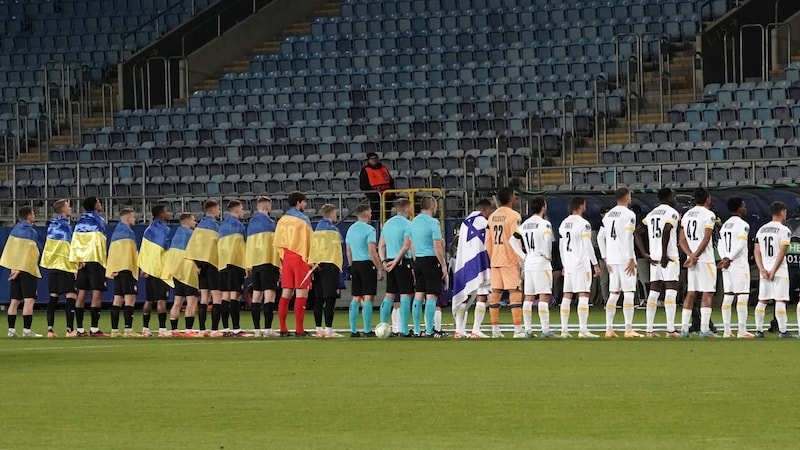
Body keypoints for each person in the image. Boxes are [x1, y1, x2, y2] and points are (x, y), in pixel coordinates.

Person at [635, 188, 681, 338]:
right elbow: (667, 230)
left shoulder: (652, 213)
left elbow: (637, 232)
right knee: (671, 291)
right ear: (668, 197)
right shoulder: (672, 213)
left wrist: (644, 254)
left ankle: (649, 329)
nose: (675, 199)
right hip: (668, 257)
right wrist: (664, 254)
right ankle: (670, 330)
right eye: (673, 196)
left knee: (654, 292)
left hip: (654, 258)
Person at [511, 196, 556, 338]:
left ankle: (528, 331)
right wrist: (547, 255)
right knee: (544, 296)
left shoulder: (524, 224)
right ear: (543, 207)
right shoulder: (545, 224)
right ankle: (545, 330)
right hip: (541, 263)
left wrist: (524, 255)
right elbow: (548, 240)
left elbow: (512, 241)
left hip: (529, 263)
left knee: (528, 297)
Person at [558, 197, 601, 339]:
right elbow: (588, 245)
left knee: (567, 295)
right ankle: (583, 330)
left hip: (569, 264)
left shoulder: (564, 224)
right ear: (582, 206)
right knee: (584, 294)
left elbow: (561, 246)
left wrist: (564, 264)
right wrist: (595, 264)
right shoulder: (584, 224)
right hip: (581, 263)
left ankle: (564, 330)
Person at [600, 187, 640, 338]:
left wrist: (605, 257)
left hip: (612, 258)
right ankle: (628, 329)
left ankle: (609, 329)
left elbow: (600, 237)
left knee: (614, 293)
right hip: (624, 258)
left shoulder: (608, 215)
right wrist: (631, 257)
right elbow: (629, 236)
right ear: (627, 197)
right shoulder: (629, 214)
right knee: (629, 292)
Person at [678, 187, 718, 338]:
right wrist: (695, 256)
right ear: (708, 198)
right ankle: (704, 329)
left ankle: (683, 329)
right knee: (707, 292)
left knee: (691, 293)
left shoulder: (687, 215)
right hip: (705, 259)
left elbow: (681, 240)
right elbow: (706, 238)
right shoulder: (709, 215)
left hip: (691, 260)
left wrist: (690, 256)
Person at [452, 199, 494, 339]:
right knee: (482, 293)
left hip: (465, 261)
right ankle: (476, 330)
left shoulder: (465, 223)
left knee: (465, 294)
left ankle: (459, 330)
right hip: (480, 261)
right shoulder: (484, 222)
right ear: (486, 210)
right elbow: (488, 241)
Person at [274, 191, 314, 337]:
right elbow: (310, 241)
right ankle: (299, 329)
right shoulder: (303, 220)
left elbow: (277, 241)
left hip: (287, 258)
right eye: (304, 202)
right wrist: (312, 261)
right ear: (299, 203)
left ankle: (283, 328)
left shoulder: (282, 220)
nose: (305, 205)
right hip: (300, 258)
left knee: (286, 293)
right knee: (301, 292)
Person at [485, 188, 523, 338]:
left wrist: (492, 256)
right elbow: (516, 238)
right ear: (511, 197)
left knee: (496, 293)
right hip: (510, 258)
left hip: (495, 259)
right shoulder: (514, 216)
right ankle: (518, 329)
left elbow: (487, 241)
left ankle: (495, 329)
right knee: (515, 292)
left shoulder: (492, 217)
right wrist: (520, 259)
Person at [753, 201, 793, 338]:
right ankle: (783, 331)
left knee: (762, 300)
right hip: (779, 270)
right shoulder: (784, 230)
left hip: (764, 270)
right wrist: (774, 270)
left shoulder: (761, 230)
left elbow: (756, 251)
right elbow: (782, 253)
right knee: (780, 300)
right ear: (782, 212)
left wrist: (762, 269)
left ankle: (758, 330)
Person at [69, 196, 108, 337]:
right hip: (95, 260)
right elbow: (99, 242)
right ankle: (94, 328)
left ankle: (79, 329)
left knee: (82, 293)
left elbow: (76, 241)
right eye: (99, 202)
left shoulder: (80, 221)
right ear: (95, 205)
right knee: (97, 293)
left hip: (82, 261)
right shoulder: (99, 221)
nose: (101, 204)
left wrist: (79, 259)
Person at [2, 206, 43, 338]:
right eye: (33, 213)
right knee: (29, 300)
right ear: (29, 215)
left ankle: (11, 330)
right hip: (26, 269)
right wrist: (20, 268)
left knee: (14, 300)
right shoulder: (30, 232)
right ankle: (26, 330)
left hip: (14, 269)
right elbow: (32, 252)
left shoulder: (14, 230)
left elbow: (9, 251)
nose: (34, 215)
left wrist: (13, 268)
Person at [410, 196, 448, 338]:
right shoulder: (433, 223)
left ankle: (417, 329)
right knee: (431, 296)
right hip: (431, 260)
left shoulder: (413, 222)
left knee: (419, 295)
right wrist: (443, 265)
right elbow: (437, 246)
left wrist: (415, 263)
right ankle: (430, 330)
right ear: (432, 206)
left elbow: (411, 245)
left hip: (418, 260)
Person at [717, 197, 755, 339]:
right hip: (738, 264)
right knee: (742, 296)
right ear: (739, 208)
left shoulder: (725, 225)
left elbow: (720, 244)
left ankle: (727, 331)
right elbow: (740, 244)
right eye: (744, 206)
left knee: (728, 296)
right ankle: (742, 330)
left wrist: (724, 258)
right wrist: (730, 258)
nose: (745, 208)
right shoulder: (743, 225)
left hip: (726, 265)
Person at [345, 204, 385, 337]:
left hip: (355, 264)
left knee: (356, 296)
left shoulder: (350, 229)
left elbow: (348, 251)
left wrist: (351, 266)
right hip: (367, 264)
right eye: (370, 211)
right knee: (368, 296)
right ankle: (367, 330)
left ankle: (353, 330)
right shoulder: (370, 230)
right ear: (367, 213)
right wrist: (379, 268)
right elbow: (372, 251)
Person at [40, 199, 78, 338]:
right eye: (68, 206)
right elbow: (68, 247)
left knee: (53, 297)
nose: (70, 208)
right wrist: (74, 266)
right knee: (71, 295)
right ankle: (69, 330)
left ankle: (50, 330)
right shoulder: (65, 226)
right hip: (65, 265)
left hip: (53, 266)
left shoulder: (52, 225)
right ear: (63, 209)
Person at [245, 197, 281, 337]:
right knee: (269, 295)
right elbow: (275, 246)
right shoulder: (271, 224)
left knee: (256, 295)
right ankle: (268, 329)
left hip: (255, 263)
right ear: (267, 208)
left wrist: (248, 265)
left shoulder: (251, 224)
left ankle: (256, 329)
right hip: (268, 262)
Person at [185, 200, 222, 337]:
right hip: (212, 264)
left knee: (204, 298)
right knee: (217, 297)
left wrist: (198, 265)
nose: (219, 212)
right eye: (218, 209)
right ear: (213, 211)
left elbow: (192, 248)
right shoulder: (215, 226)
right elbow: (219, 247)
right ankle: (214, 330)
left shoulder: (198, 228)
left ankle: (201, 330)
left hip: (200, 267)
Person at [377, 198, 414, 337]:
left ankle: (383, 326)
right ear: (406, 209)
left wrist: (384, 261)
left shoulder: (387, 224)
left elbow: (381, 245)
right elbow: (406, 246)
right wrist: (397, 261)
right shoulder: (408, 224)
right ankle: (404, 330)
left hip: (390, 260)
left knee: (389, 295)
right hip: (402, 261)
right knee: (405, 295)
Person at [308, 204, 344, 338]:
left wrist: (312, 264)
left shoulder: (316, 230)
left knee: (319, 299)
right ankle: (328, 330)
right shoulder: (333, 231)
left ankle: (318, 329)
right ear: (332, 213)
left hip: (317, 267)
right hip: (330, 266)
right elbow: (337, 250)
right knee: (330, 299)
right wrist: (339, 267)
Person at [139, 205, 173, 338]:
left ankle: (145, 329)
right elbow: (165, 250)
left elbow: (144, 251)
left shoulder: (148, 230)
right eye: (166, 211)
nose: (168, 213)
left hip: (148, 270)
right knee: (161, 300)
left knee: (148, 300)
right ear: (161, 214)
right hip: (160, 270)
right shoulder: (165, 230)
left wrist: (144, 267)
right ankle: (162, 329)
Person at [105, 209, 139, 338]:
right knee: (130, 298)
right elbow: (129, 253)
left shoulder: (116, 232)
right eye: (134, 217)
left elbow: (113, 253)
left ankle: (114, 330)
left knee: (117, 299)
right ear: (128, 217)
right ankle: (128, 330)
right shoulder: (127, 232)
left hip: (117, 270)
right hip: (126, 269)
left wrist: (112, 269)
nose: (135, 219)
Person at [166, 213, 199, 337]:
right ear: (189, 221)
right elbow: (195, 253)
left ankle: (174, 330)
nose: (195, 223)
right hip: (189, 271)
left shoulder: (176, 235)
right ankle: (188, 330)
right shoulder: (192, 235)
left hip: (177, 271)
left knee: (177, 301)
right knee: (191, 301)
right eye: (194, 220)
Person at [218, 200, 248, 337]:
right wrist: (246, 265)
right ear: (236, 210)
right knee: (235, 296)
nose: (243, 211)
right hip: (235, 264)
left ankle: (225, 328)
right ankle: (236, 328)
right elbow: (240, 248)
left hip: (223, 264)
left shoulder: (222, 226)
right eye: (242, 209)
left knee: (225, 296)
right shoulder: (239, 226)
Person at [359, 152, 394, 220]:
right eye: (372, 158)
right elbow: (363, 185)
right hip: (375, 198)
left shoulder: (384, 168)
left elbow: (391, 182)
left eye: (375, 158)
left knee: (387, 215)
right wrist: (372, 195)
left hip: (387, 196)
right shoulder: (365, 170)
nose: (374, 160)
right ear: (368, 160)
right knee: (375, 215)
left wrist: (392, 194)